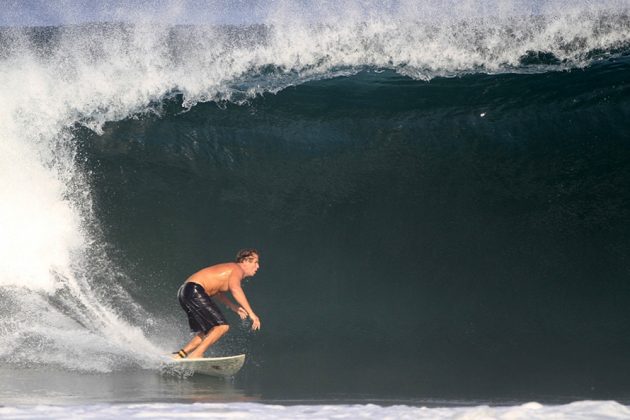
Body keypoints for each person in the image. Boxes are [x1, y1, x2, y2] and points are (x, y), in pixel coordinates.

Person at [173, 249, 261, 359]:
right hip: (195, 290)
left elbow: (218, 293)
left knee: (208, 330)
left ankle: (180, 355)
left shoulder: (229, 269)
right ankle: (196, 354)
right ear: (245, 261)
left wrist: (233, 306)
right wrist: (251, 313)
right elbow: (235, 289)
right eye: (255, 262)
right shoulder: (237, 269)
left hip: (185, 291)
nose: (258, 266)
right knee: (222, 326)